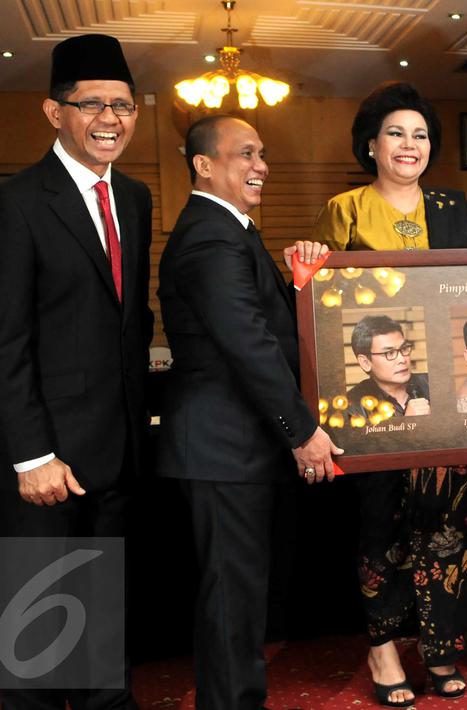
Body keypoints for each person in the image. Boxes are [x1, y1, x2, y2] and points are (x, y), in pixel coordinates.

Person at [158, 114, 342, 709]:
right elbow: (249, 345)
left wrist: (302, 279)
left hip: (234, 447)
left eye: (262, 153)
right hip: (222, 447)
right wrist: (303, 431)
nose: (260, 165)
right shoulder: (211, 236)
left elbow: (268, 325)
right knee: (231, 601)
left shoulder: (231, 231)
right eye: (244, 154)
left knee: (240, 597)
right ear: (204, 166)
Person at [311, 81, 467, 705]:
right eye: (396, 134)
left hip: (442, 391)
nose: (410, 145)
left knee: (446, 524)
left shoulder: (453, 208)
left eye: (421, 135)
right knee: (382, 524)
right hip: (369, 394)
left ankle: (439, 647)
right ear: (370, 145)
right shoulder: (344, 208)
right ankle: (382, 651)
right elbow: (320, 303)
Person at [0, 33, 150, 710]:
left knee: (103, 615)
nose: (109, 118)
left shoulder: (138, 198)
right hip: (47, 459)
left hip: (117, 449)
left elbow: (127, 323)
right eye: (90, 103)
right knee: (36, 629)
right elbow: (6, 339)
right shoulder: (18, 201)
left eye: (122, 104)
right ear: (53, 112)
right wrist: (31, 455)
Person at [343, 315, 430, 421]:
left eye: (404, 348)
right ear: (365, 363)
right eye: (389, 352)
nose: (402, 359)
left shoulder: (432, 384)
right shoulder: (351, 407)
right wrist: (408, 424)